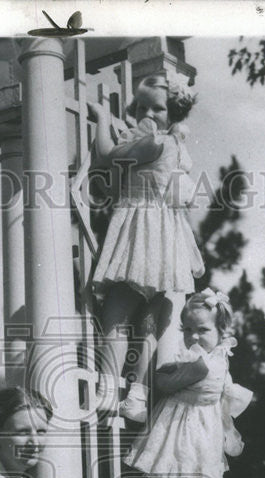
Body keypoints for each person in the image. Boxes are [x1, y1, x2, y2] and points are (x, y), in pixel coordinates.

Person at [88, 74, 205, 421]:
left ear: (174, 113)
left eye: (157, 108)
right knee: (151, 318)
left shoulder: (154, 143)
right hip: (166, 238)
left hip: (142, 230)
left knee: (118, 313)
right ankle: (136, 396)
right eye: (141, 107)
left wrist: (102, 118)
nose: (147, 114)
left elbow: (107, 154)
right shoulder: (177, 147)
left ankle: (108, 389)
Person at [122, 289, 253, 478]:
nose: (194, 338)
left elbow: (164, 382)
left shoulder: (200, 363)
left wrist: (166, 371)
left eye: (202, 330)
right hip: (201, 442)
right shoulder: (221, 361)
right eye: (188, 331)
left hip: (178, 435)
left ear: (222, 332)